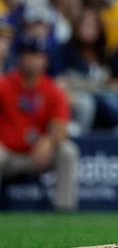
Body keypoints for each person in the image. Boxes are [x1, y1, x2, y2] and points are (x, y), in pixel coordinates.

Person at [0, 34, 79, 211]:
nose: (31, 59)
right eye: (27, 53)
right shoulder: (4, 85)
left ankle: (64, 209)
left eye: (36, 54)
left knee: (68, 151)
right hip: (8, 155)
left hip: (39, 156)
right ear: (19, 57)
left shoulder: (52, 90)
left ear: (45, 59)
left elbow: (61, 127)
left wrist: (49, 140)